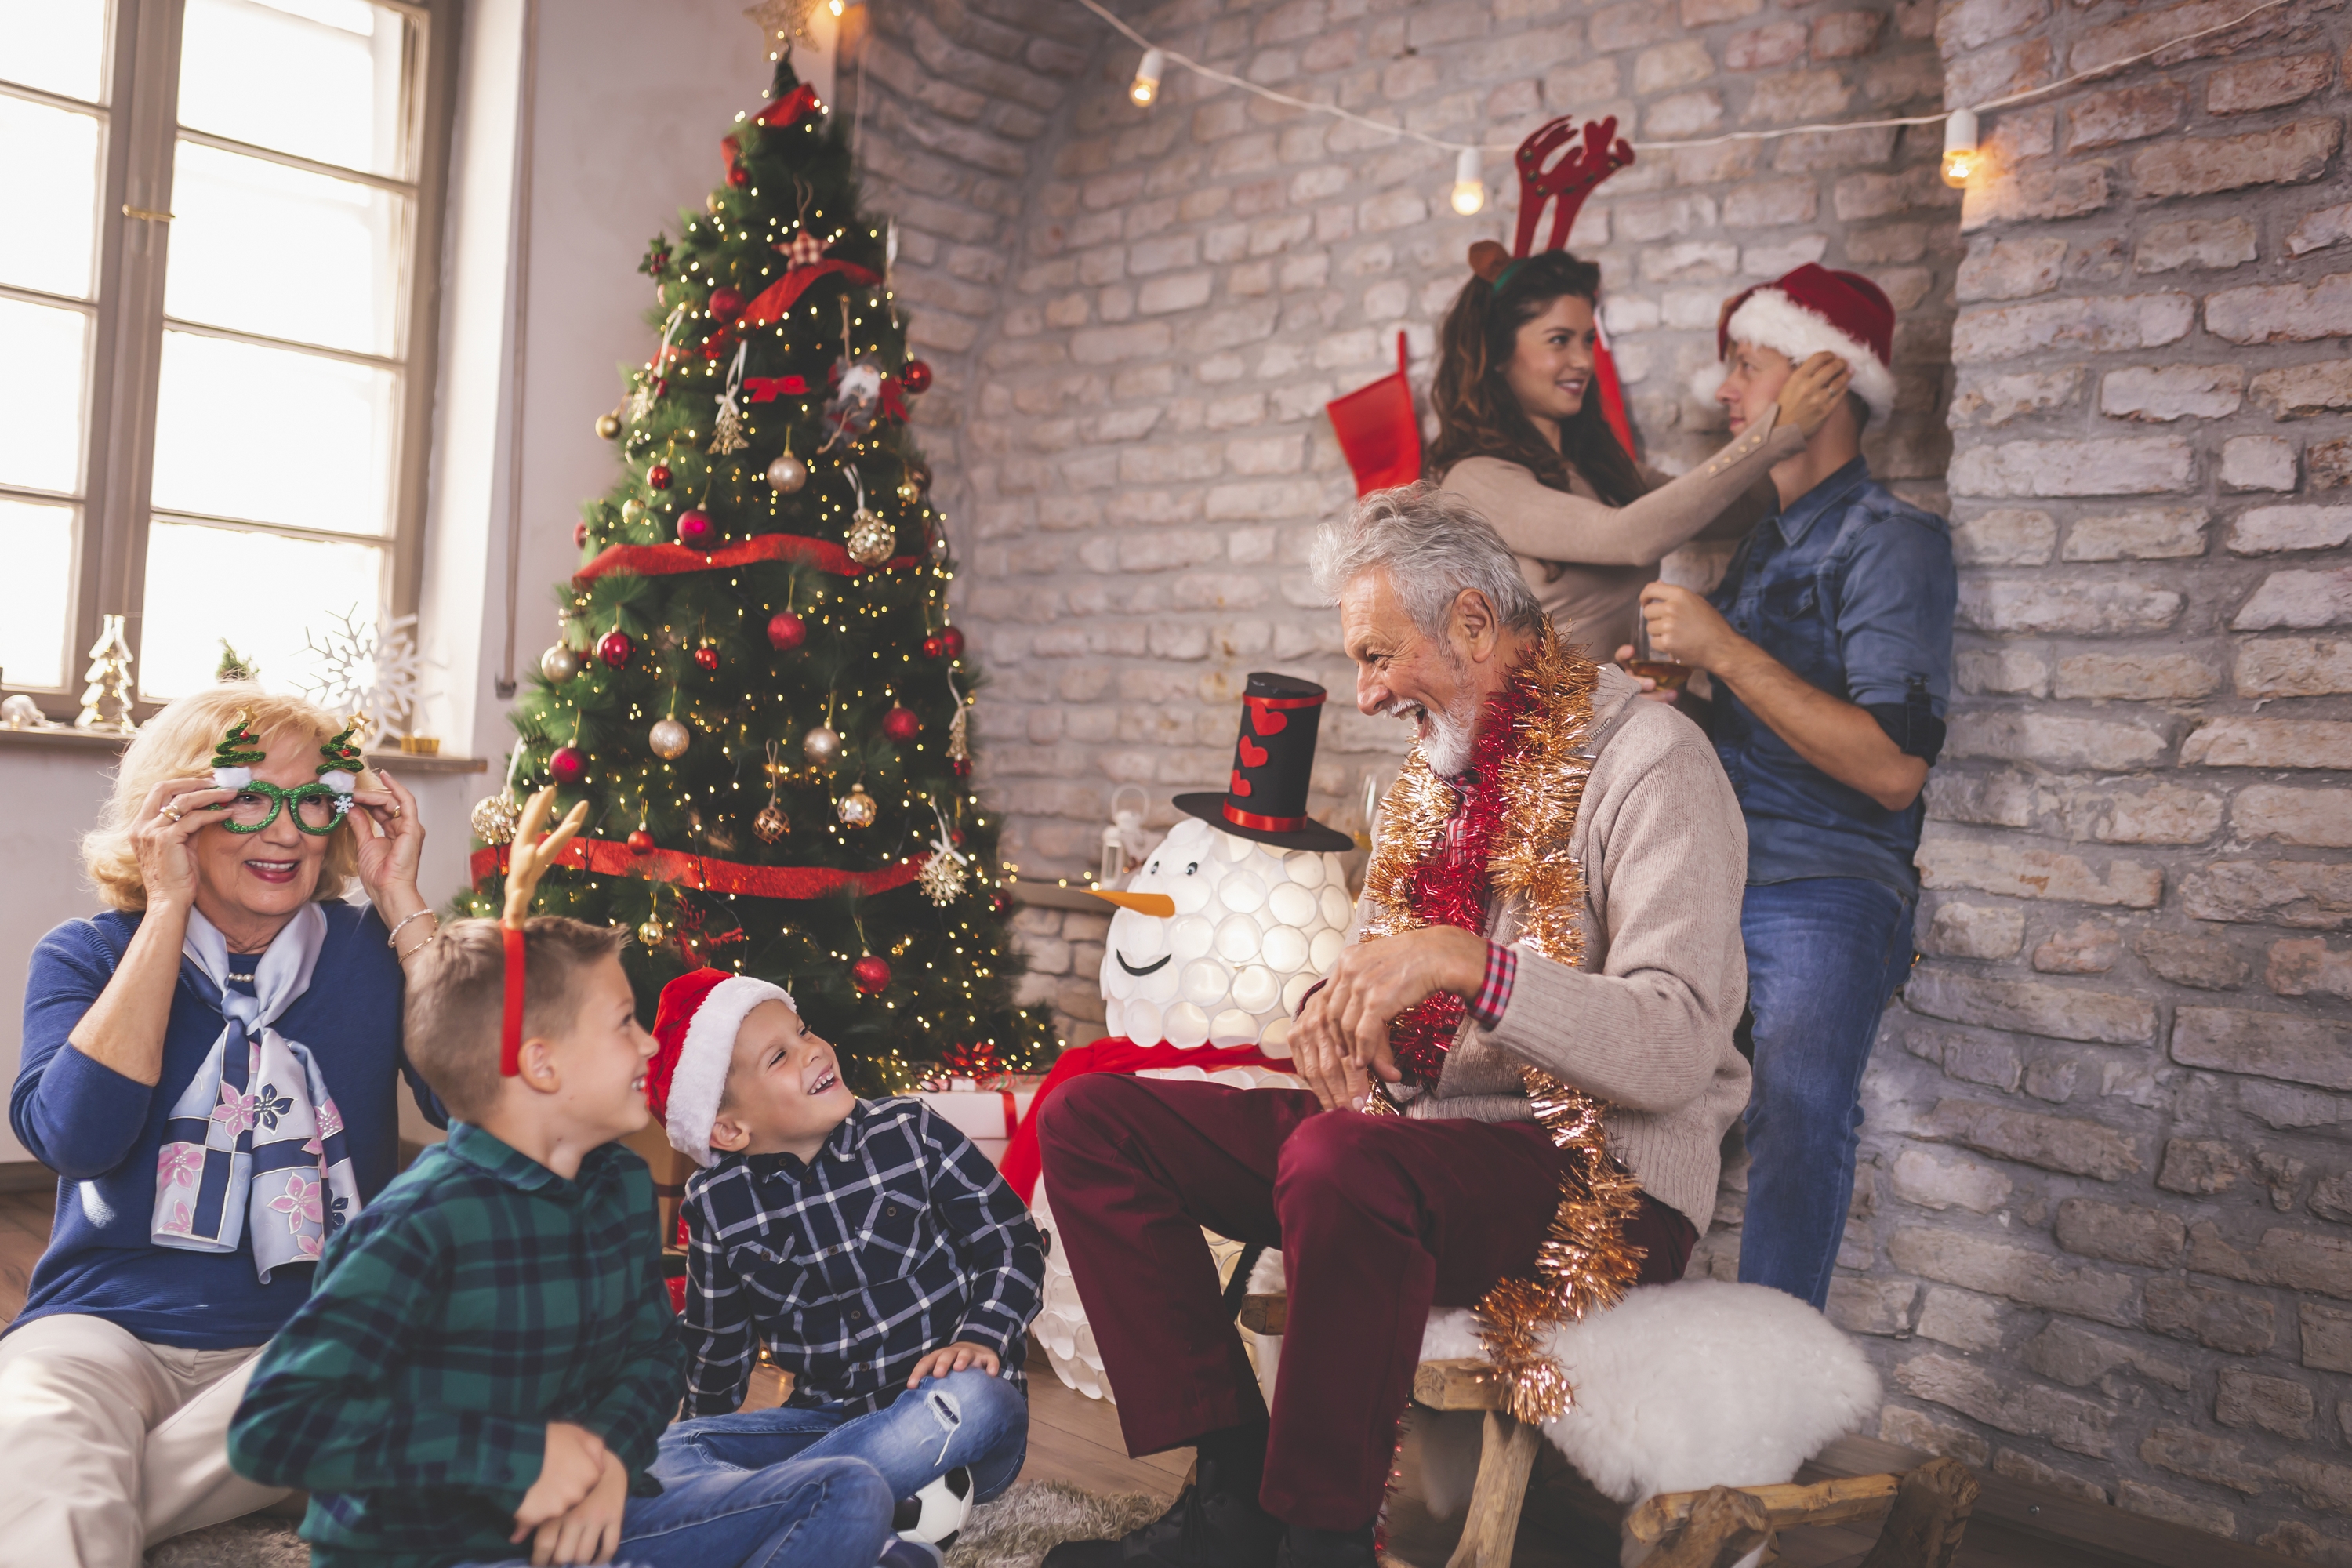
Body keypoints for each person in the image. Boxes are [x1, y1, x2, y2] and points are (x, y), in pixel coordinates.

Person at [1036, 485, 1752, 1568]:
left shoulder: (1653, 763)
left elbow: (1673, 1044)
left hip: (1600, 1179)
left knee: (1343, 1162)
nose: (1364, 696)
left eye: (1378, 656)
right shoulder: (1429, 779)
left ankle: (1318, 1542)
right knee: (1091, 1118)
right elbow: (1384, 973)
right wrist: (1335, 1019)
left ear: (1472, 620)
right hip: (1407, 1149)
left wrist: (1473, 966)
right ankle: (1233, 1492)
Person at [227, 910, 899, 1568]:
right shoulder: (418, 1224)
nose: (648, 1045)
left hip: (579, 1531)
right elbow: (276, 1424)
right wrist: (519, 1461)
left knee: (847, 1491)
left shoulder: (620, 1185)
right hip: (434, 1551)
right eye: (622, 1024)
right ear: (543, 1066)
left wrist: (605, 1463)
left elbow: (652, 1358)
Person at [3, 687, 443, 1565]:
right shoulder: (87, 952)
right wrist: (165, 911)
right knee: (42, 1418)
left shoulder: (369, 951)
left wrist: (403, 901)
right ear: (175, 812)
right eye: (248, 795)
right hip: (105, 1327)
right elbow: (79, 1137)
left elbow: (476, 1097)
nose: (286, 831)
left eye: (314, 799)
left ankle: (81, 1499)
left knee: (403, 1399)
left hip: (311, 1334)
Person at [1632, 263, 1956, 1310]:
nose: (1722, 392)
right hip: (1711, 874)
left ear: (1822, 376)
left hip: (1821, 886)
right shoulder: (1762, 548)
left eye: (1745, 365)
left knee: (1802, 1108)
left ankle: (1765, 1427)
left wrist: (1721, 649)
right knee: (1613, 1081)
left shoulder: (1892, 544)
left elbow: (1893, 768)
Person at [646, 967, 1040, 1517]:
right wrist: (704, 1435)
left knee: (974, 1402)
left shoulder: (911, 1131)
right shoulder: (716, 1203)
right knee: (669, 1453)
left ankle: (765, 1509)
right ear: (729, 1130)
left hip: (950, 1409)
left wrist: (983, 1336)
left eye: (803, 1031)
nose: (812, 1050)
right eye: (778, 1057)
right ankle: (797, 1501)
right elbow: (719, 1348)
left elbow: (1012, 1239)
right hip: (828, 1421)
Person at [1429, 246, 1856, 659]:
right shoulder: (1477, 478)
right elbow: (1629, 538)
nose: (1583, 361)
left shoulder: (1599, 471)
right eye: (1559, 340)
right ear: (1498, 355)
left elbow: (1740, 508)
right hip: (1548, 728)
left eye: (1588, 340)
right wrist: (1776, 432)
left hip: (1626, 709)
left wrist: (1780, 398)